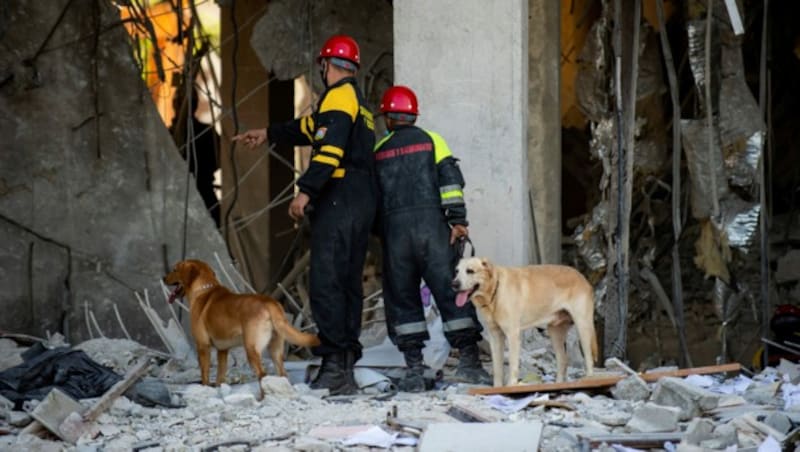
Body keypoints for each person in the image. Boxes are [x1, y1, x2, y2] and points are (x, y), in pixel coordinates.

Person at [233, 35, 376, 396]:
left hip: (339, 200)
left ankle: (334, 367)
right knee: (346, 284)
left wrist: (306, 191)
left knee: (327, 283)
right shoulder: (356, 103)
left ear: (327, 65)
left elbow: (328, 150)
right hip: (360, 201)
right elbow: (308, 129)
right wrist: (267, 133)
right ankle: (344, 366)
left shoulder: (340, 98)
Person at [373, 85, 491, 391]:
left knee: (402, 297)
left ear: (388, 117)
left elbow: (372, 198)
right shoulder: (432, 140)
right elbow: (450, 182)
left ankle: (414, 369)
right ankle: (469, 363)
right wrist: (458, 221)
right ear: (413, 115)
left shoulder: (379, 150)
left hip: (396, 235)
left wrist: (381, 233)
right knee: (453, 291)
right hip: (433, 231)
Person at [170, 85, 221, 227]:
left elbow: (220, 160)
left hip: (202, 194)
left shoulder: (207, 133)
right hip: (178, 197)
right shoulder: (168, 136)